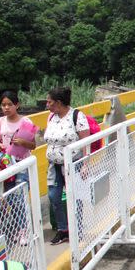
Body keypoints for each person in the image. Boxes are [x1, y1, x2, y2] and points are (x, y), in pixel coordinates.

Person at [44, 87, 91, 245]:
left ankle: (77, 229)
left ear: (58, 103)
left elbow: (86, 142)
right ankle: (63, 229)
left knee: (75, 197)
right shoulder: (51, 117)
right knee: (54, 197)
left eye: (49, 101)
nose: (47, 104)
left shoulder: (77, 116)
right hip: (55, 165)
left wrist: (85, 164)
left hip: (74, 164)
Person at [0, 90, 38, 185]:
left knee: (21, 192)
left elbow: (33, 145)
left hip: (22, 163)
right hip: (6, 163)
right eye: (3, 105)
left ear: (17, 105)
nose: (6, 108)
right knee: (8, 192)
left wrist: (23, 142)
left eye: (10, 104)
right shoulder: (0, 122)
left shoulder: (26, 122)